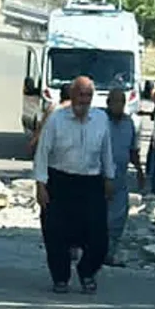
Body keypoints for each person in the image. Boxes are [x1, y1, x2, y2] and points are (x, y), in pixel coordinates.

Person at [33, 76, 115, 294]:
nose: (84, 100)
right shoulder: (56, 119)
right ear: (71, 95)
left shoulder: (100, 119)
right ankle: (60, 277)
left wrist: (109, 178)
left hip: (91, 182)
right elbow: (43, 151)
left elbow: (106, 150)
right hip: (60, 181)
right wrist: (40, 184)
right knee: (55, 232)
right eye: (80, 95)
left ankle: (87, 271)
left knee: (99, 235)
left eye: (88, 96)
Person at [105, 88, 144, 264]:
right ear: (108, 103)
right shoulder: (99, 121)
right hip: (99, 177)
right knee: (95, 216)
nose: (119, 106)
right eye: (116, 102)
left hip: (120, 178)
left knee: (119, 217)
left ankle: (109, 253)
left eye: (122, 102)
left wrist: (140, 171)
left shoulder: (129, 123)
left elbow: (133, 150)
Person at [28, 83, 71, 157]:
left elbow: (42, 126)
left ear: (61, 94)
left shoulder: (53, 107)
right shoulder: (79, 109)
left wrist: (34, 141)